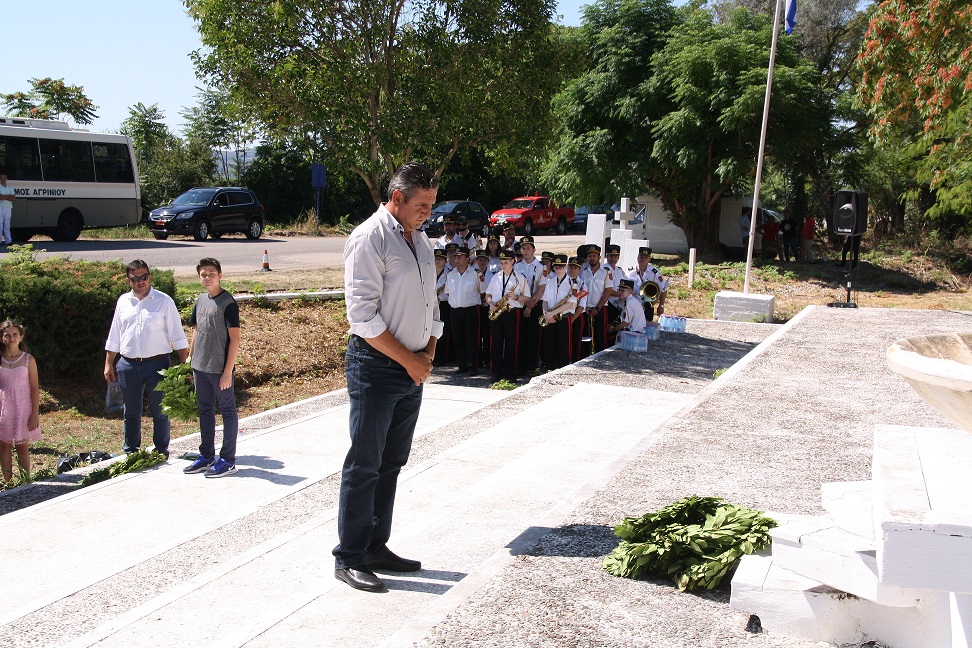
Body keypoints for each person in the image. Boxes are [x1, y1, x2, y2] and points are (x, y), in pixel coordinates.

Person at [335, 162, 442, 593]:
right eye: (422, 205)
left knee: (392, 463)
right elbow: (362, 316)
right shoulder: (369, 238)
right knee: (364, 464)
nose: (428, 213)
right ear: (397, 198)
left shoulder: (421, 240)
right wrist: (409, 361)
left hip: (413, 367)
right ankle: (350, 556)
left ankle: (376, 546)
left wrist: (427, 353)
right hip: (376, 368)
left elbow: (431, 303)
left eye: (431, 205)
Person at [104, 260, 189, 458]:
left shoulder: (164, 301)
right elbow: (115, 334)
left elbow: (177, 335)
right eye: (135, 278)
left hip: (157, 364)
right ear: (128, 280)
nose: (140, 281)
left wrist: (185, 365)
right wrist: (109, 363)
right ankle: (131, 451)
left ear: (150, 277)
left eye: (144, 277)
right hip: (128, 365)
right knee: (131, 411)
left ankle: (161, 450)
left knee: (160, 411)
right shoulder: (123, 302)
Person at [183, 258, 241, 478]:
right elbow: (197, 330)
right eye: (203, 274)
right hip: (200, 367)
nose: (207, 278)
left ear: (220, 276)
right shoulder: (200, 300)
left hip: (219, 369)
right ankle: (206, 456)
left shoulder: (228, 303)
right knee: (205, 410)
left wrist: (227, 372)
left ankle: (228, 460)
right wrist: (190, 359)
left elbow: (235, 340)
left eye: (211, 274)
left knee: (227, 411)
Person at [0, 321, 40, 483]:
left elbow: (34, 388)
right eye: (7, 335)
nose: (11, 338)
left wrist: (34, 414)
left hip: (23, 408)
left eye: (15, 334)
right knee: (4, 446)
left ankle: (25, 482)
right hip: (3, 408)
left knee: (22, 446)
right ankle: (8, 483)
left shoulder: (28, 359)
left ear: (21, 337)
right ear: (1, 338)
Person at [486, 249, 530, 383]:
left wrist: (516, 297)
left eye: (506, 262)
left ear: (512, 261)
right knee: (496, 343)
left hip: (512, 312)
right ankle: (496, 373)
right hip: (497, 311)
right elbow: (488, 294)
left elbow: (527, 297)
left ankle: (511, 373)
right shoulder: (496, 276)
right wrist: (491, 304)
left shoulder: (519, 278)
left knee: (512, 343)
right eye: (501, 263)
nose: (503, 265)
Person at [446, 246, 484, 374]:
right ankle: (462, 365)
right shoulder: (450, 274)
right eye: (456, 257)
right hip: (455, 310)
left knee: (472, 338)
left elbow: (483, 292)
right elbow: (448, 292)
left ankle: (472, 366)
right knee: (458, 338)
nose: (457, 260)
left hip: (471, 310)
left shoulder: (476, 274)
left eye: (460, 257)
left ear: (468, 258)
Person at [540, 255, 578, 371]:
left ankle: (563, 370)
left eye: (561, 267)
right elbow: (545, 300)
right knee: (548, 345)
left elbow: (571, 303)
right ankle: (549, 368)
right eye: (556, 267)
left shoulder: (573, 283)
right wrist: (546, 313)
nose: (558, 270)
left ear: (565, 267)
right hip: (549, 318)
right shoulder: (550, 282)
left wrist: (552, 313)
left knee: (563, 346)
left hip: (563, 318)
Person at [514, 236, 544, 374]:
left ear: (534, 250)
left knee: (533, 336)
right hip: (520, 304)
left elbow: (541, 288)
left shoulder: (541, 267)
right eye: (523, 248)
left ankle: (532, 366)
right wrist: (525, 303)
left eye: (528, 248)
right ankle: (520, 366)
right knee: (520, 336)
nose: (525, 251)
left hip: (535, 304)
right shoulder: (516, 266)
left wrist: (530, 305)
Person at [580, 245, 614, 352]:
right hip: (586, 309)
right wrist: (583, 306)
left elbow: (608, 291)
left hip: (601, 309)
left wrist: (598, 308)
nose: (592, 258)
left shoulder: (606, 271)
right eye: (590, 256)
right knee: (586, 337)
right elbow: (582, 291)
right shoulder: (584, 272)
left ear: (599, 257)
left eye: (594, 256)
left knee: (600, 336)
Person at [627, 247, 668, 321]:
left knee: (647, 326)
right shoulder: (630, 272)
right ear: (638, 258)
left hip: (648, 305)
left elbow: (663, 289)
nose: (643, 259)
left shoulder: (655, 273)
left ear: (649, 259)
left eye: (646, 258)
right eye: (641, 257)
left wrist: (661, 305)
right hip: (633, 303)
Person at [0, 173, 16, 247]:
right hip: (0, 207)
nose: (3, 179)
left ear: (7, 179)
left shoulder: (10, 188)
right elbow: (0, 197)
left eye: (5, 177)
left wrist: (4, 196)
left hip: (8, 207)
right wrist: (9, 195)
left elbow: (13, 199)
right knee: (0, 224)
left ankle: (8, 241)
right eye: (2, 177)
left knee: (7, 224)